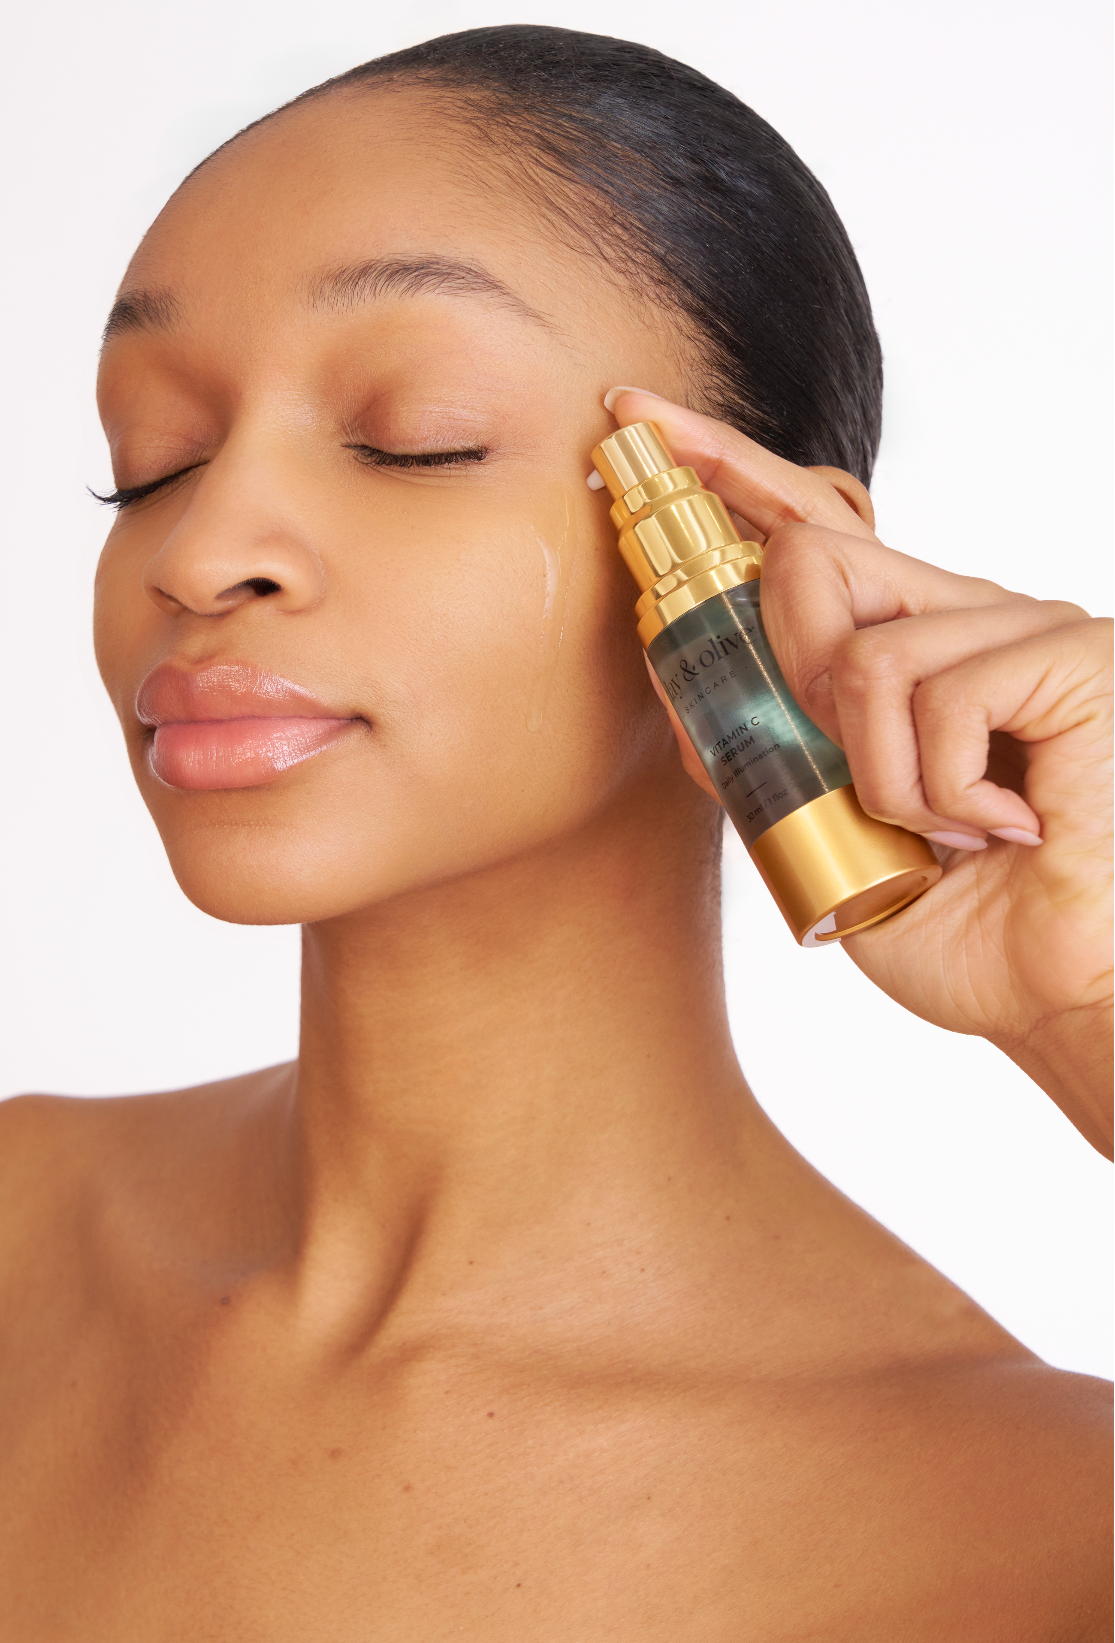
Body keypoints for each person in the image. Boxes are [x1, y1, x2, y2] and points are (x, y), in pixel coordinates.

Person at [1, 25, 1110, 1639]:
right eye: (150, 460)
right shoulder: (19, 1224)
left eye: (415, 434)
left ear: (764, 563)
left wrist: (1094, 1015)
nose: (203, 546)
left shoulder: (1039, 1529)